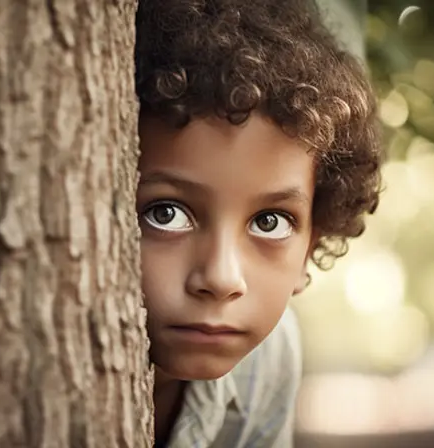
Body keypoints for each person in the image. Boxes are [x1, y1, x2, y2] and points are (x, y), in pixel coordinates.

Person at [134, 1, 383, 446]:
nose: (221, 278)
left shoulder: (268, 359)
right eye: (166, 214)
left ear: (310, 246)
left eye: (270, 222)